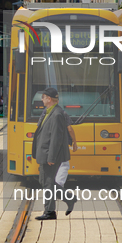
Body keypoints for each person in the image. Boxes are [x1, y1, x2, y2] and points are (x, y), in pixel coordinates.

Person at [31, 88, 75, 220]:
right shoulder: (49, 112)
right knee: (44, 181)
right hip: (45, 153)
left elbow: (56, 138)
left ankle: (50, 212)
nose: (42, 99)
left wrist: (52, 157)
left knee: (48, 182)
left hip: (50, 155)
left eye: (43, 97)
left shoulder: (57, 114)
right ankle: (69, 198)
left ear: (49, 99)